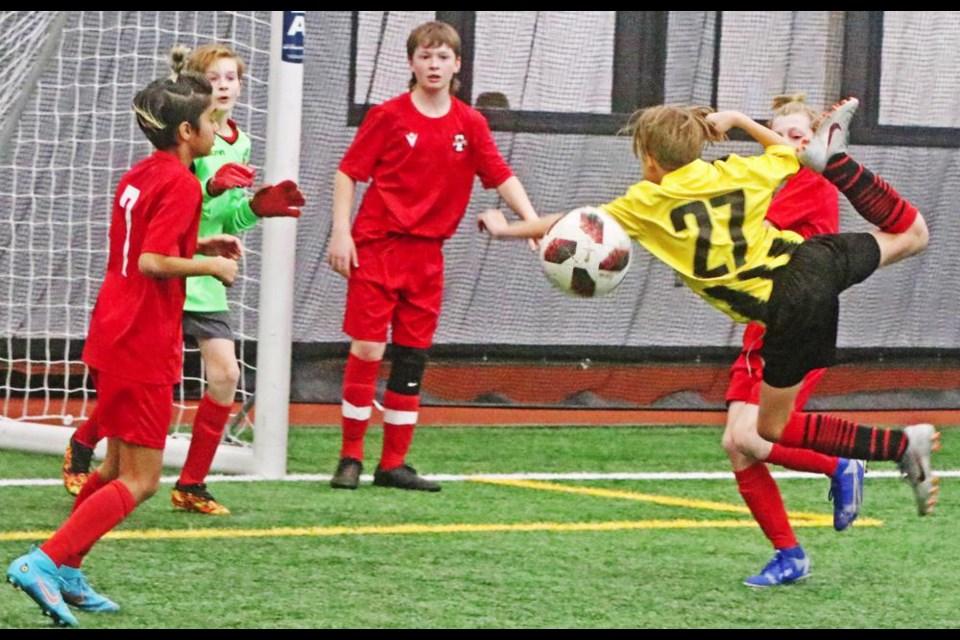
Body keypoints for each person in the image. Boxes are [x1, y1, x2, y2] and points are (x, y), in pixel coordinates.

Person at [479, 98, 939, 580]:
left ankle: (898, 445)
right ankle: (839, 162)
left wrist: (509, 228)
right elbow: (787, 153)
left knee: (771, 430)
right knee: (913, 234)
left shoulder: (645, 202)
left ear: (649, 160)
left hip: (785, 309)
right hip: (811, 263)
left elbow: (573, 223)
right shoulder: (738, 171)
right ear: (699, 147)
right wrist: (743, 123)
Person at [6, 72, 241, 626]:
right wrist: (210, 264)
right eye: (211, 121)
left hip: (112, 327)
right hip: (142, 338)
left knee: (114, 466)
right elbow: (151, 262)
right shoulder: (182, 183)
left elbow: (142, 242)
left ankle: (66, 567)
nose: (217, 128)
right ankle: (42, 561)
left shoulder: (143, 172)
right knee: (141, 480)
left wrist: (200, 241)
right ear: (187, 130)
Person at [61, 44, 305, 515]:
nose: (225, 86)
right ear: (192, 111)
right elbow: (157, 247)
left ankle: (190, 483)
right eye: (214, 78)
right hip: (157, 293)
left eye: (232, 77)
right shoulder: (176, 164)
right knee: (137, 468)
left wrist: (251, 209)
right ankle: (72, 496)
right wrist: (209, 247)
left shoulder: (217, 147)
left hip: (161, 286)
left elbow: (194, 224)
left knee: (224, 376)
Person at [326, 21, 539, 492]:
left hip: (428, 256)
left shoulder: (471, 123)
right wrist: (342, 234)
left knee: (412, 357)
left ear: (457, 65)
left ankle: (393, 464)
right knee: (367, 348)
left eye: (443, 57)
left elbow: (500, 174)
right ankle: (350, 457)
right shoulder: (388, 116)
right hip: (378, 247)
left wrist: (532, 224)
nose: (434, 65)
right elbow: (348, 173)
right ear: (412, 63)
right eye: (425, 56)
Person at [720, 94, 864, 588]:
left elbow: (744, 233)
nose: (792, 143)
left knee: (750, 438)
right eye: (782, 135)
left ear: (817, 141)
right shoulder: (769, 180)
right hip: (762, 325)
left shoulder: (812, 181)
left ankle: (840, 463)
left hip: (796, 323)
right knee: (737, 446)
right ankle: (790, 555)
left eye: (801, 134)